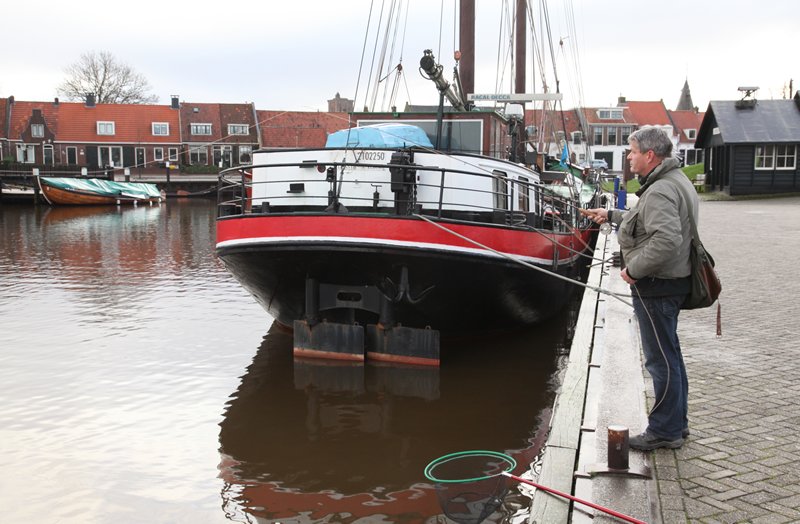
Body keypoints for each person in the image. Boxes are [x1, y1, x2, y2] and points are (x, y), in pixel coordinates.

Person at [582, 126, 698, 451]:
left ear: (649, 154)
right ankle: (677, 423)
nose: (629, 157)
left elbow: (666, 240)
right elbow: (646, 221)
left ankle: (664, 431)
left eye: (632, 151)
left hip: (658, 285)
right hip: (671, 282)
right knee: (670, 356)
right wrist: (611, 215)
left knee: (660, 361)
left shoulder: (660, 189)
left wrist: (634, 269)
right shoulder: (674, 180)